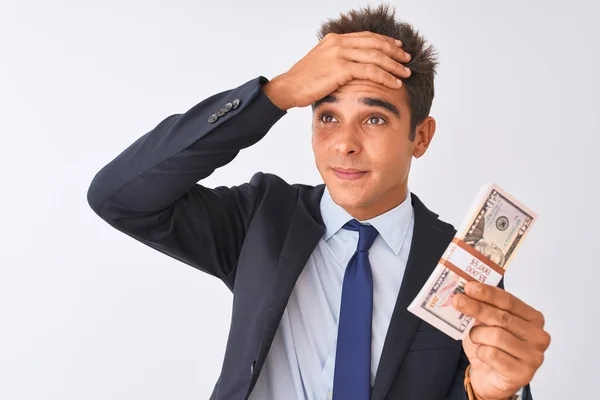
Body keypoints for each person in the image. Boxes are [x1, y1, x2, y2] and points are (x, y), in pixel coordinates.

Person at [87, 4, 550, 400]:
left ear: (420, 137)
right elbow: (119, 196)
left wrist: (489, 394)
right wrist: (276, 93)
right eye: (327, 115)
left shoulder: (462, 263)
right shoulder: (261, 220)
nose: (343, 144)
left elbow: (478, 383)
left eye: (373, 119)